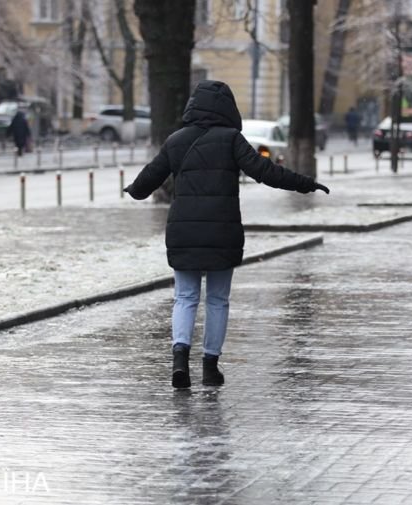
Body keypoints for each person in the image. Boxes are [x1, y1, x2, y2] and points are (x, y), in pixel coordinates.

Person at [123, 80, 330, 389]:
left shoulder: (176, 140)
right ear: (227, 108)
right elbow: (266, 172)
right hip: (223, 231)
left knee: (184, 297)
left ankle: (180, 361)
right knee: (218, 299)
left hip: (183, 231)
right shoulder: (232, 139)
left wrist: (133, 189)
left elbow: (145, 183)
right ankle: (210, 367)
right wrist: (305, 183)